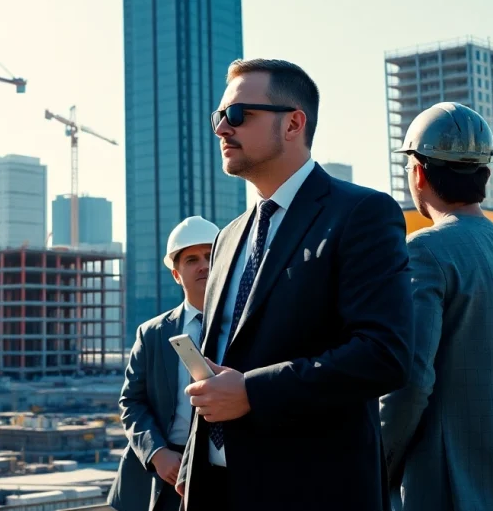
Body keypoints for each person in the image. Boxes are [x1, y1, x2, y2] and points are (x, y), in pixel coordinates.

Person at [174, 58, 415, 510]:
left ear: (293, 124)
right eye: (219, 116)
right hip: (217, 489)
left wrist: (253, 392)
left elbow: (385, 354)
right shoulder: (227, 238)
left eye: (238, 114)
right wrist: (194, 462)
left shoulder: (361, 213)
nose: (222, 128)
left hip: (312, 490)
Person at [379, 102, 493, 511]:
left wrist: (377, 465)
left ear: (418, 172)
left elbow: (410, 384)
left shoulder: (423, 252)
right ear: (486, 176)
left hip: (448, 492)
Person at [107, 216, 220, 511]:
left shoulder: (247, 327)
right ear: (176, 274)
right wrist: (156, 453)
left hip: (225, 471)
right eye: (191, 260)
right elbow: (131, 401)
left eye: (210, 256)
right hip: (165, 474)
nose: (203, 265)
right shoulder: (152, 334)